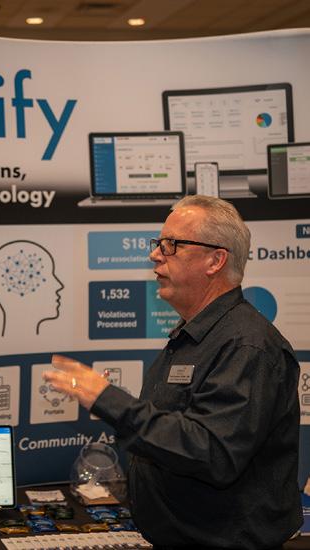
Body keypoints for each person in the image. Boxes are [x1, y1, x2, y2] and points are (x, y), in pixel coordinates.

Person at [44, 195, 302, 549]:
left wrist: (110, 401)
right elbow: (178, 431)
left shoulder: (248, 346)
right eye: (159, 243)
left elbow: (211, 453)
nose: (155, 254)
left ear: (215, 260)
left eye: (171, 244)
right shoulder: (196, 335)